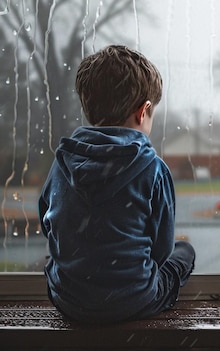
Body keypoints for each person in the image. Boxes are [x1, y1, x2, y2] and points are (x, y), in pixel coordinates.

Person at [38, 45, 195, 324]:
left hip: (69, 300)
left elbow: (48, 224)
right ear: (143, 111)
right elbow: (161, 251)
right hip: (134, 302)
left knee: (55, 263)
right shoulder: (153, 168)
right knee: (184, 252)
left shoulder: (62, 163)